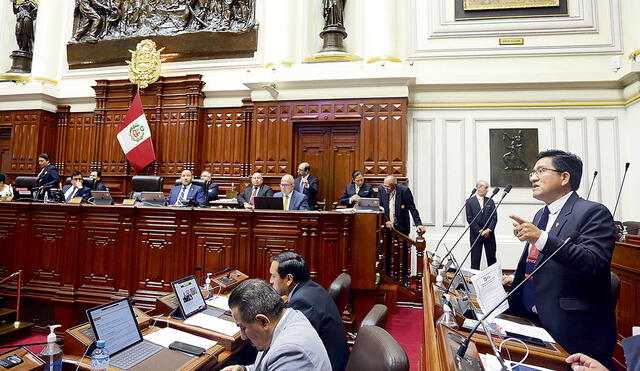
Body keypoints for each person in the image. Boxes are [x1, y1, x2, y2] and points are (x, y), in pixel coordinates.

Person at [507, 150, 616, 369]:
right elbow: (543, 263)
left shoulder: (593, 212)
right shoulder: (541, 215)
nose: (533, 177)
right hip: (532, 318)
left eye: (541, 171)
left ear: (564, 177)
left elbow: (592, 262)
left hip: (572, 330)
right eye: (533, 172)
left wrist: (542, 238)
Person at [221, 279, 331, 371]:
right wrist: (244, 370)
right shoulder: (290, 317)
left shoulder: (290, 352)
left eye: (243, 327)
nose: (243, 336)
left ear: (263, 321)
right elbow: (267, 364)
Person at [269, 252, 350, 371]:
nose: (270, 281)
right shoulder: (311, 288)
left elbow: (291, 344)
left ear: (289, 279)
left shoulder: (302, 302)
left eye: (273, 276)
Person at [465, 180, 497, 270]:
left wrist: (488, 230)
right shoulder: (469, 202)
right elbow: (470, 219)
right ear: (478, 188)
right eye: (485, 187)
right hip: (476, 236)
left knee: (492, 260)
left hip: (489, 235)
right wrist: (480, 231)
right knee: (475, 261)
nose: (487, 190)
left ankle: (495, 281)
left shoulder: (490, 201)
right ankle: (473, 282)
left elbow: (494, 218)